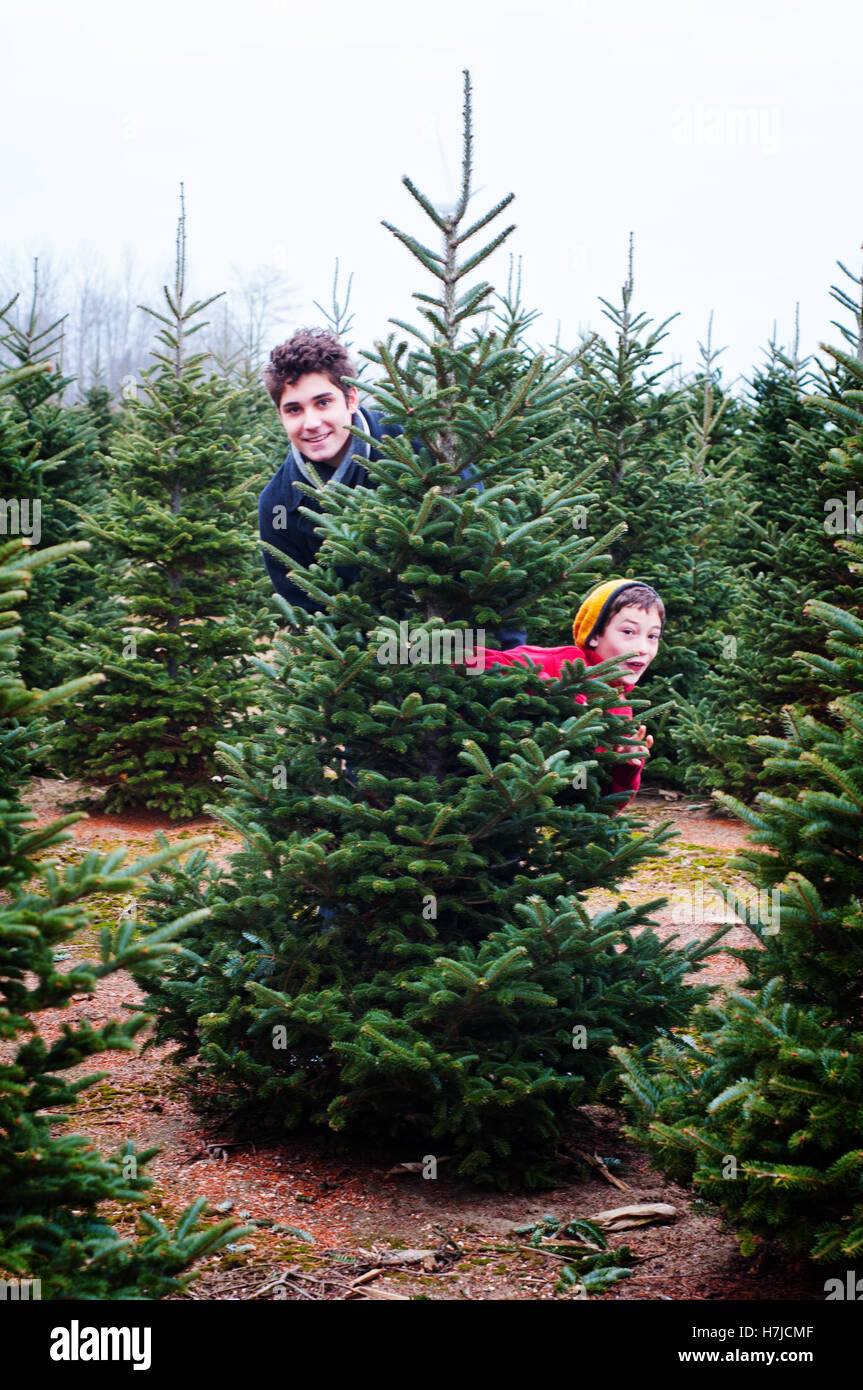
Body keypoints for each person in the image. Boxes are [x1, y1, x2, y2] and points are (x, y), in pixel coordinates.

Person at [257, 326, 525, 646]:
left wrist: (504, 658)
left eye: (323, 402)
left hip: (461, 647)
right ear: (280, 416)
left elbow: (488, 551)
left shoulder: (417, 447)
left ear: (351, 398)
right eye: (294, 409)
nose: (311, 423)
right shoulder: (277, 505)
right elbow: (304, 605)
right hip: (366, 665)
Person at [465, 578, 664, 812]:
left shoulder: (619, 707)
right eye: (629, 632)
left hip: (521, 819)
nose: (643, 647)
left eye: (652, 636)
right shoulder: (561, 664)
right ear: (594, 635)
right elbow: (483, 660)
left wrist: (627, 765)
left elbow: (598, 807)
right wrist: (419, 647)